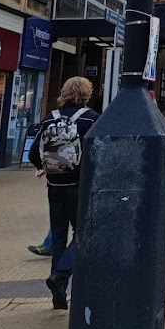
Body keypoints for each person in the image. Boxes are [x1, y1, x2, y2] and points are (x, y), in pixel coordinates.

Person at [29, 77, 98, 310]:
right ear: (87, 93)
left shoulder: (51, 118)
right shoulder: (91, 119)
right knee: (85, 233)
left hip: (54, 187)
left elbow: (33, 153)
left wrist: (46, 168)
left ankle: (58, 296)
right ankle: (60, 276)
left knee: (58, 237)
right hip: (79, 186)